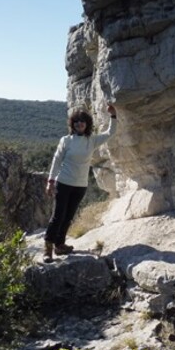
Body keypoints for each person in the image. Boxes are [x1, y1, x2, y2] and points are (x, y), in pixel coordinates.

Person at [43, 103, 117, 263]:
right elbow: (56, 161)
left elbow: (111, 132)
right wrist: (51, 181)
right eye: (76, 121)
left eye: (82, 121)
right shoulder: (66, 140)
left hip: (80, 186)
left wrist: (113, 115)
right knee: (58, 216)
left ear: (87, 124)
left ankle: (60, 245)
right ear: (72, 124)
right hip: (63, 182)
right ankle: (47, 249)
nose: (79, 124)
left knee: (68, 216)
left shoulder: (91, 140)